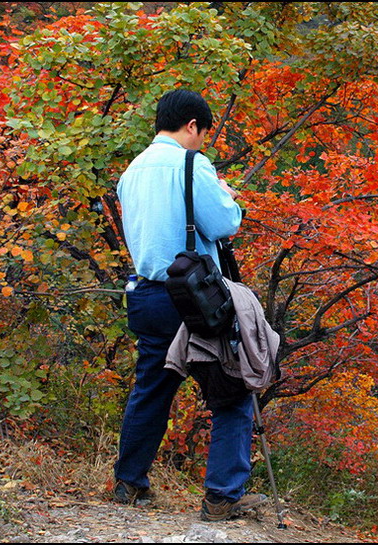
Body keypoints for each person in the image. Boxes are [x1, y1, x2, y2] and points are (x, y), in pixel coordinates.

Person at [114, 89, 266, 521]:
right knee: (231, 390)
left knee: (152, 389)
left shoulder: (132, 170)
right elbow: (224, 223)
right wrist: (224, 192)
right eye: (203, 133)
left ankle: (129, 483)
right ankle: (222, 496)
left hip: (144, 292)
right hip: (193, 298)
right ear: (193, 126)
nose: (202, 142)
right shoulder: (191, 164)